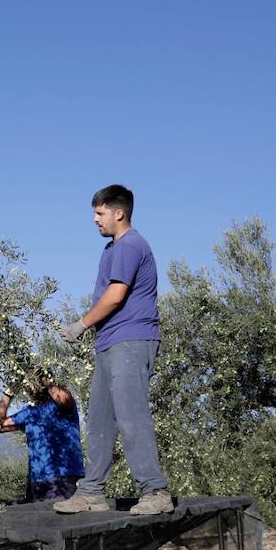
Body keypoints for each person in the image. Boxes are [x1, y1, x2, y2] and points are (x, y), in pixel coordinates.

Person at [54, 184, 174, 516]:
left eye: (99, 212)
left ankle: (155, 491)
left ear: (118, 213)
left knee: (131, 414)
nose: (95, 219)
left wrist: (81, 325)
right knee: (100, 419)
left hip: (132, 340)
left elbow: (116, 295)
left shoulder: (130, 245)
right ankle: (92, 492)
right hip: (109, 342)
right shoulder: (111, 250)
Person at [0, 372, 85, 502]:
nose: (30, 386)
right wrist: (8, 392)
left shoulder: (62, 406)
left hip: (63, 477)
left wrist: (44, 378)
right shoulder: (29, 411)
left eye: (33, 382)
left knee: (59, 521)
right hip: (36, 481)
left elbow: (63, 398)